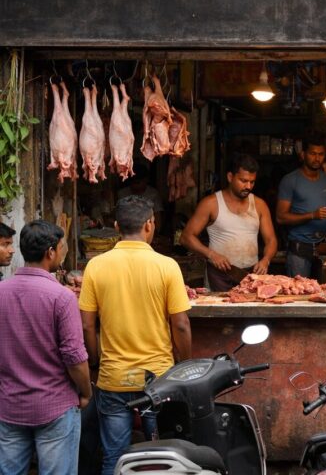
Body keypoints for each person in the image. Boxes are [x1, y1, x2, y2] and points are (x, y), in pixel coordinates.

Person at [79, 195, 192, 475]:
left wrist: (95, 362)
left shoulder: (96, 266)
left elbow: (86, 326)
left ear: (117, 226)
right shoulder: (167, 266)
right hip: (158, 379)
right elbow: (180, 324)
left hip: (113, 378)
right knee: (163, 457)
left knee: (114, 458)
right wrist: (185, 365)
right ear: (150, 225)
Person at [0, 220, 92, 475]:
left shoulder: (2, 292)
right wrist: (85, 392)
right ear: (50, 252)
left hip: (10, 404)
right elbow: (74, 357)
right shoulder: (61, 297)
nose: (63, 252)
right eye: (62, 247)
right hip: (54, 406)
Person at [181, 153, 278, 291]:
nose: (248, 186)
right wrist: (211, 254)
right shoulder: (211, 203)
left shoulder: (259, 205)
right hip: (218, 274)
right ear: (230, 177)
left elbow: (271, 240)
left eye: (252, 182)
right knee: (220, 310)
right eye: (243, 181)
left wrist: (266, 259)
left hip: (251, 274)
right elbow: (186, 237)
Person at [276, 130, 326, 277]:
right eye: (313, 153)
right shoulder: (290, 180)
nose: (317, 158)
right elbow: (281, 217)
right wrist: (312, 215)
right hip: (299, 248)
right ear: (303, 154)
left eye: (321, 154)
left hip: (324, 247)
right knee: (299, 293)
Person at [117, 164, 164, 232]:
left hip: (148, 231)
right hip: (127, 232)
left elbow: (158, 216)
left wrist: (156, 232)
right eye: (133, 182)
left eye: (138, 182)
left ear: (146, 180)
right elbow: (118, 215)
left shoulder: (153, 194)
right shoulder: (122, 194)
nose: (136, 185)